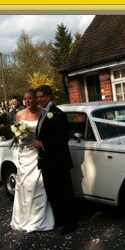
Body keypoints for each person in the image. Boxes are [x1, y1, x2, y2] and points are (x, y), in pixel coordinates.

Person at [32, 85, 78, 235]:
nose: (39, 99)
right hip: (46, 160)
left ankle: (72, 222)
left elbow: (63, 139)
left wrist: (43, 143)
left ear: (49, 96)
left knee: (64, 192)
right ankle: (60, 219)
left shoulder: (58, 114)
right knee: (52, 192)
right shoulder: (43, 114)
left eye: (42, 97)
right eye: (37, 97)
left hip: (58, 161)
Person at [10, 89, 55, 232]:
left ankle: (39, 218)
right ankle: (24, 218)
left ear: (35, 99)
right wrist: (19, 136)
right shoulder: (19, 114)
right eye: (25, 99)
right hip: (24, 152)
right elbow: (16, 133)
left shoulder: (43, 112)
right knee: (24, 186)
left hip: (38, 153)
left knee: (39, 185)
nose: (28, 101)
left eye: (30, 98)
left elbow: (47, 132)